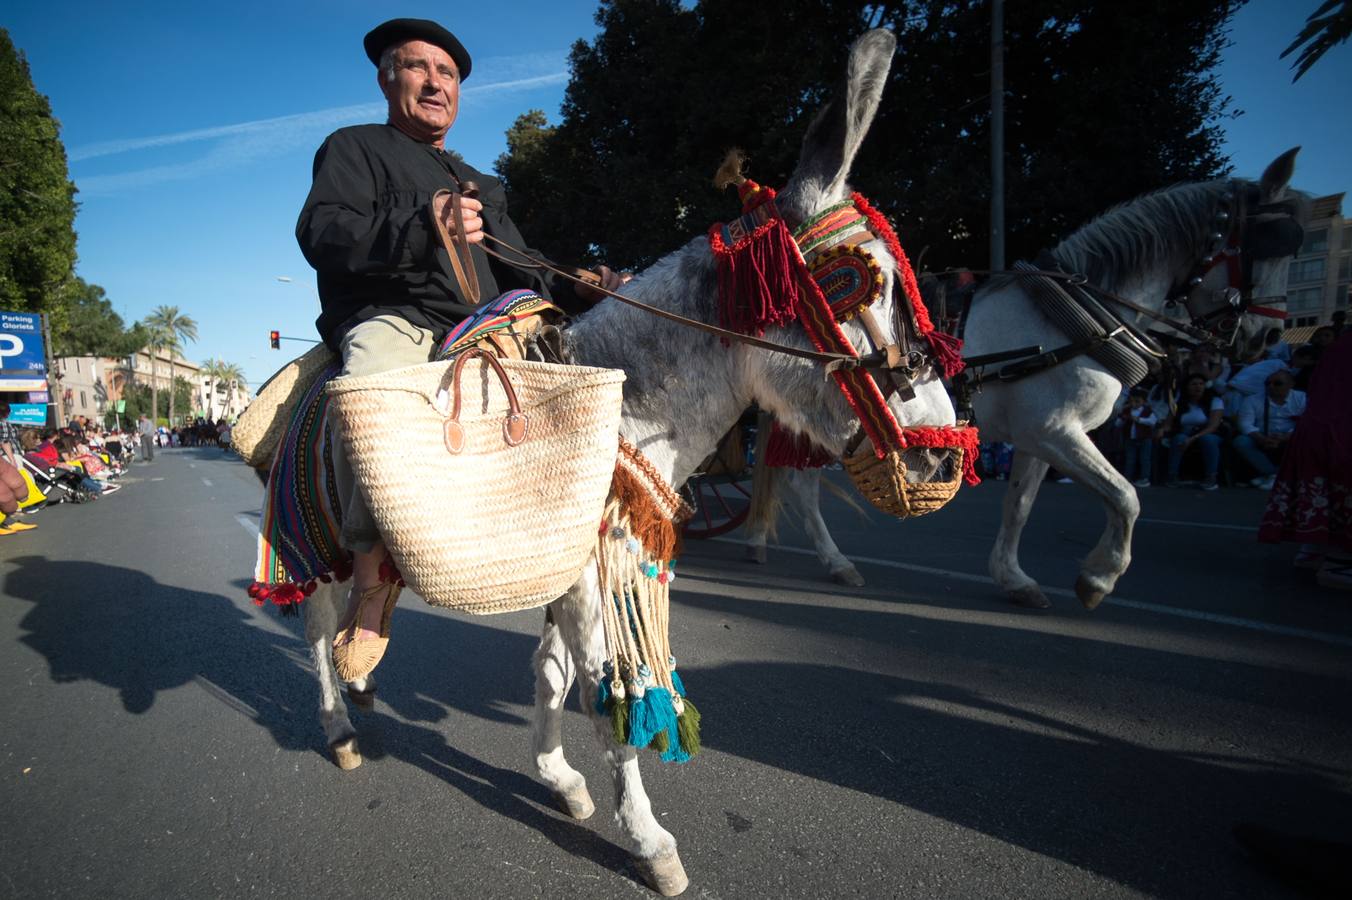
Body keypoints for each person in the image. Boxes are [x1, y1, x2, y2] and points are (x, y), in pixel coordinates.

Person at [295, 18, 623, 681]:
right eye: (418, 67)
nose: (434, 81)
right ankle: (370, 576)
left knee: (581, 385)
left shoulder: (482, 182)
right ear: (388, 79)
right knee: (375, 393)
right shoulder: (352, 149)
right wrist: (421, 224)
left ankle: (569, 539)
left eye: (447, 74)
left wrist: (579, 281)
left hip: (481, 326)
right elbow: (323, 234)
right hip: (395, 319)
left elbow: (518, 262)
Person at [1260, 331, 1352, 589]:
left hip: (1321, 427)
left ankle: (1316, 547)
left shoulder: (1339, 344)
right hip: (1338, 430)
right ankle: (1338, 558)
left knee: (1321, 488)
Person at [1233, 370, 1306, 490]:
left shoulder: (1302, 398)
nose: (1271, 386)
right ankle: (1273, 474)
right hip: (1261, 436)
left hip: (1292, 436)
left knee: (1309, 440)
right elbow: (1245, 423)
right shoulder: (1253, 399)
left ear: (1290, 384)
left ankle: (1272, 476)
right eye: (1267, 383)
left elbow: (1305, 423)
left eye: (1277, 383)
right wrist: (1261, 438)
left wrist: (1285, 437)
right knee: (1241, 441)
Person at [1163, 374, 1225, 490]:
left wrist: (1193, 438)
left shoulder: (1215, 401)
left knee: (1207, 440)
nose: (1198, 387)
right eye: (1194, 384)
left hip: (1208, 433)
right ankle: (1172, 476)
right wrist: (1161, 432)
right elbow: (1168, 423)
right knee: (1179, 439)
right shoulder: (1178, 402)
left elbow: (1213, 426)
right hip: (1184, 432)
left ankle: (1211, 477)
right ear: (1187, 387)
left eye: (1201, 384)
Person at [1116, 387, 1157, 487]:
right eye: (1132, 401)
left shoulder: (1147, 411)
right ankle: (1127, 477)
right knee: (1130, 459)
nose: (1134, 404)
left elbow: (1153, 421)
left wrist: (1139, 420)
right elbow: (1118, 424)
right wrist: (1123, 419)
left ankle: (1145, 478)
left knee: (1145, 459)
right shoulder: (1127, 411)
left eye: (1137, 401)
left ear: (1143, 401)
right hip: (1130, 439)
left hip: (1145, 439)